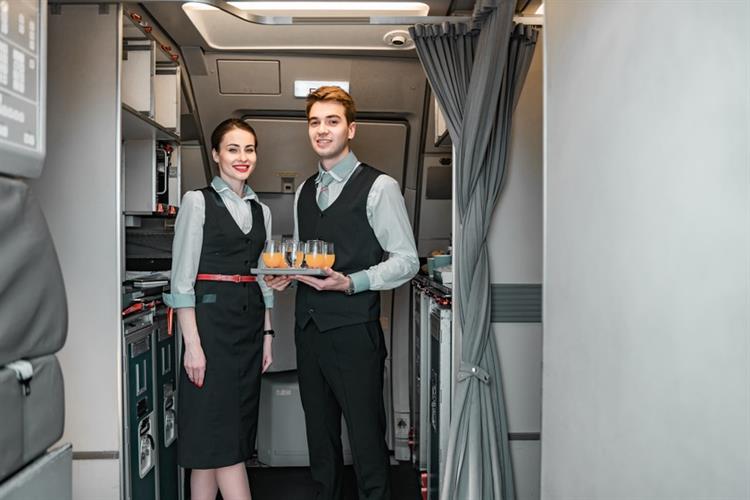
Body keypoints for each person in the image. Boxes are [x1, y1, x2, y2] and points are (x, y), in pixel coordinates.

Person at [266, 86, 419, 500]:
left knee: (367, 442)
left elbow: (407, 261)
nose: (321, 130)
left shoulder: (379, 187)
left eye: (332, 121)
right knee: (321, 440)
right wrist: (286, 276)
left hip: (354, 332)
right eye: (314, 122)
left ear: (350, 129)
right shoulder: (305, 191)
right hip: (309, 330)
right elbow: (304, 258)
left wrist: (353, 281)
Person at [163, 118, 274, 500]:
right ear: (215, 155)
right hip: (209, 328)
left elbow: (262, 275)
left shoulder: (261, 209)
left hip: (248, 328)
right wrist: (192, 346)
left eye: (249, 149)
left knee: (215, 443)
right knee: (222, 438)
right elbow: (182, 281)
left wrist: (268, 335)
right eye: (233, 149)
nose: (243, 157)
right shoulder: (198, 201)